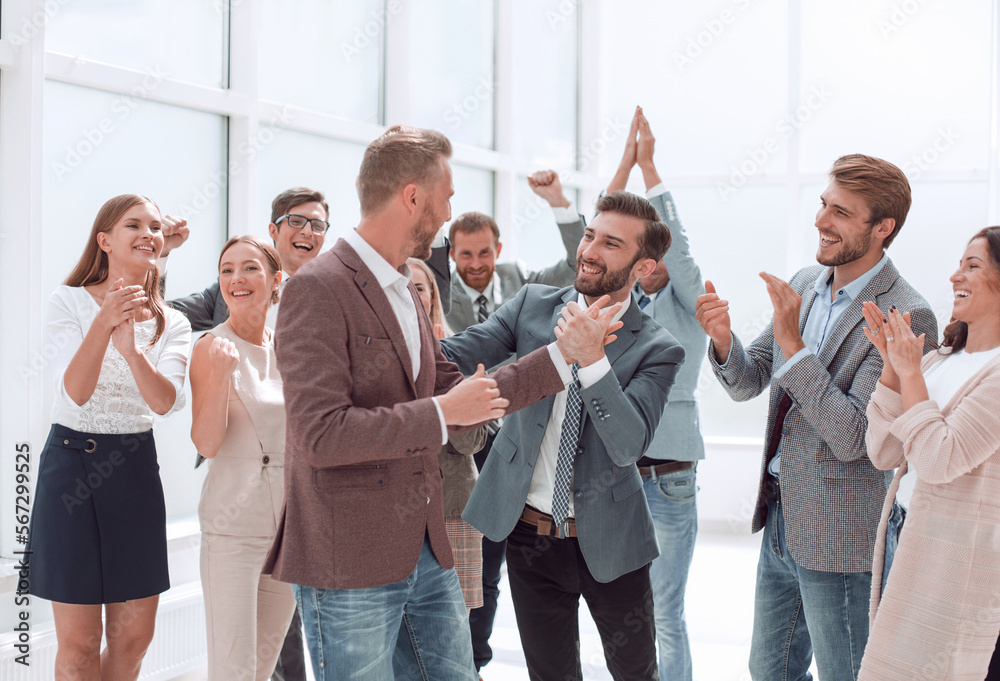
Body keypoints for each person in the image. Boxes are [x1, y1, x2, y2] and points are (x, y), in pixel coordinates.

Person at [262, 125, 609, 680]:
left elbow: (459, 385)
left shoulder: (404, 288)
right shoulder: (317, 288)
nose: (449, 211)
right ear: (412, 196)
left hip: (427, 552)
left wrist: (564, 356)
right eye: (447, 195)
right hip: (348, 563)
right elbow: (320, 435)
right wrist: (444, 414)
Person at [695, 154, 937, 681]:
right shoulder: (807, 281)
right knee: (770, 671)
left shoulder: (908, 314)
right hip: (781, 518)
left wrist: (792, 342)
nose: (821, 221)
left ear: (882, 228)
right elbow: (750, 380)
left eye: (841, 213)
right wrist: (721, 340)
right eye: (824, 205)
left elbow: (855, 436)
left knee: (846, 672)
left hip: (844, 533)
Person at [441, 190, 686, 681]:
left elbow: (627, 444)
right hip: (530, 538)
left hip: (613, 541)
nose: (589, 250)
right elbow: (454, 353)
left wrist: (592, 359)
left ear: (643, 267)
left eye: (611, 244)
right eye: (590, 235)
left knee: (637, 673)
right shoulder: (532, 305)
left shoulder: (659, 348)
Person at [26, 194, 192, 680]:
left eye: (156, 228)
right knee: (78, 647)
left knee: (134, 641)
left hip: (135, 469)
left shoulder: (173, 321)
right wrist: (104, 322)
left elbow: (165, 403)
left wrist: (133, 351)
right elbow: (74, 393)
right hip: (70, 469)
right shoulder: (68, 302)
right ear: (104, 240)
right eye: (133, 225)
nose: (148, 233)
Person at [447, 170, 584, 672]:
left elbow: (577, 263)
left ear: (498, 248)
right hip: (462, 442)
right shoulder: (436, 288)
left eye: (485, 253)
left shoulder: (524, 287)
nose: (477, 264)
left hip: (512, 442)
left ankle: (479, 658)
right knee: (472, 567)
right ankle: (465, 659)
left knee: (503, 566)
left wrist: (558, 204)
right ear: (451, 255)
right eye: (466, 254)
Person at [857, 226, 1000, 681]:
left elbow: (940, 459)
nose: (955, 274)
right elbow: (884, 451)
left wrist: (909, 374)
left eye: (972, 265)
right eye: (959, 262)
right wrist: (893, 372)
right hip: (903, 529)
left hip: (953, 553)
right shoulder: (939, 360)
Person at [606, 106, 706, 681]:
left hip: (668, 471)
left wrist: (651, 170)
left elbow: (684, 254)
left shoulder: (689, 304)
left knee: (665, 610)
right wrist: (621, 166)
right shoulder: (616, 305)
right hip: (615, 473)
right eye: (635, 258)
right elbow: (598, 239)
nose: (644, 268)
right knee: (625, 609)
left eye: (654, 257)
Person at [189, 236, 296, 681]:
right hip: (233, 531)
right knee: (233, 670)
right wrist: (217, 378)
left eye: (250, 268)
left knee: (262, 667)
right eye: (227, 269)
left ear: (276, 281)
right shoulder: (210, 348)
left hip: (289, 532)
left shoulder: (291, 349)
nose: (236, 278)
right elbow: (206, 444)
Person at [166, 186, 454, 333]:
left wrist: (434, 222)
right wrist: (161, 254)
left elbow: (429, 297)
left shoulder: (344, 288)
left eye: (317, 225)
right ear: (273, 231)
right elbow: (157, 316)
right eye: (296, 221)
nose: (307, 231)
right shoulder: (228, 291)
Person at [408, 257, 487, 613]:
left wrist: (439, 370)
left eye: (419, 286)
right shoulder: (374, 355)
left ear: (432, 298)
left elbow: (472, 441)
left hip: (453, 509)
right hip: (397, 513)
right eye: (402, 284)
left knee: (455, 633)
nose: (410, 291)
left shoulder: (458, 352)